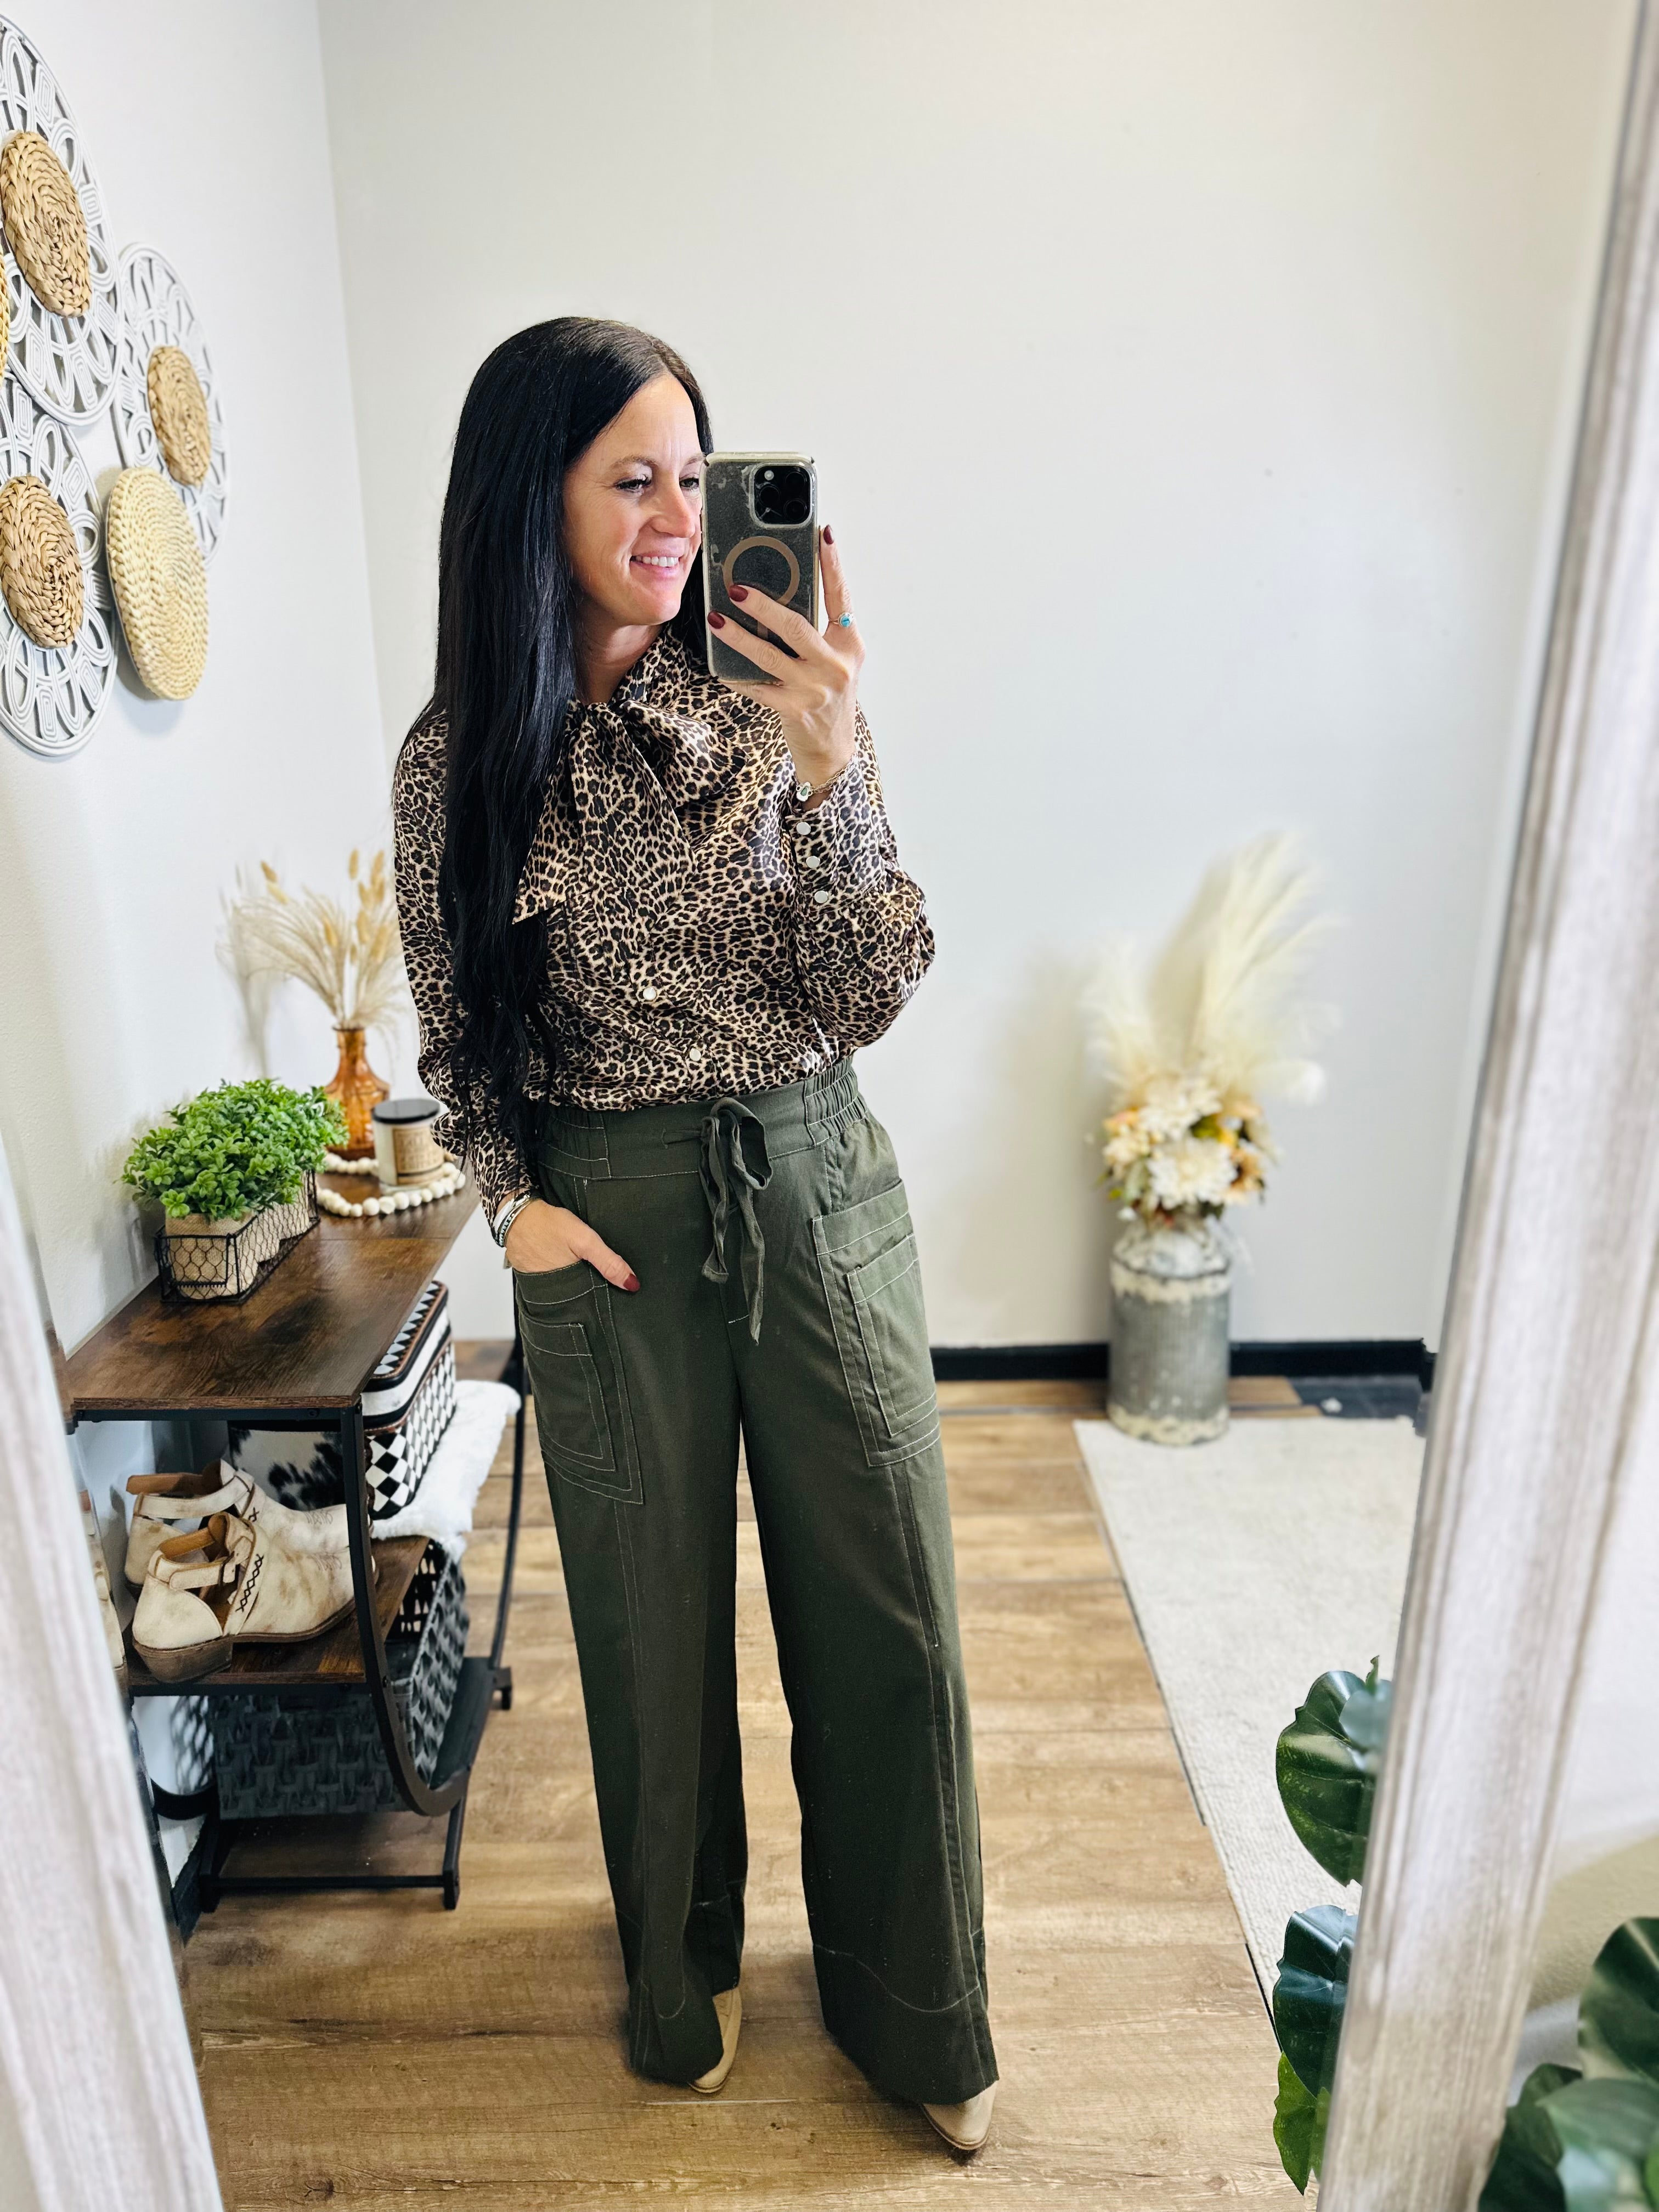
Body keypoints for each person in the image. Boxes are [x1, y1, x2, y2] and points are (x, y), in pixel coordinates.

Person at [392, 317, 997, 2153]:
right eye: (632, 480)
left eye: (693, 477)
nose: (676, 518)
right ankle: (683, 1971)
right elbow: (455, 1035)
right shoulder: (458, 763)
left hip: (811, 1184)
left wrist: (833, 763)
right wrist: (516, 1210)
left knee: (891, 1614)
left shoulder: (776, 699)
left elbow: (866, 984)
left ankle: (922, 2013)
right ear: (534, 500)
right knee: (650, 1641)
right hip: (607, 1227)